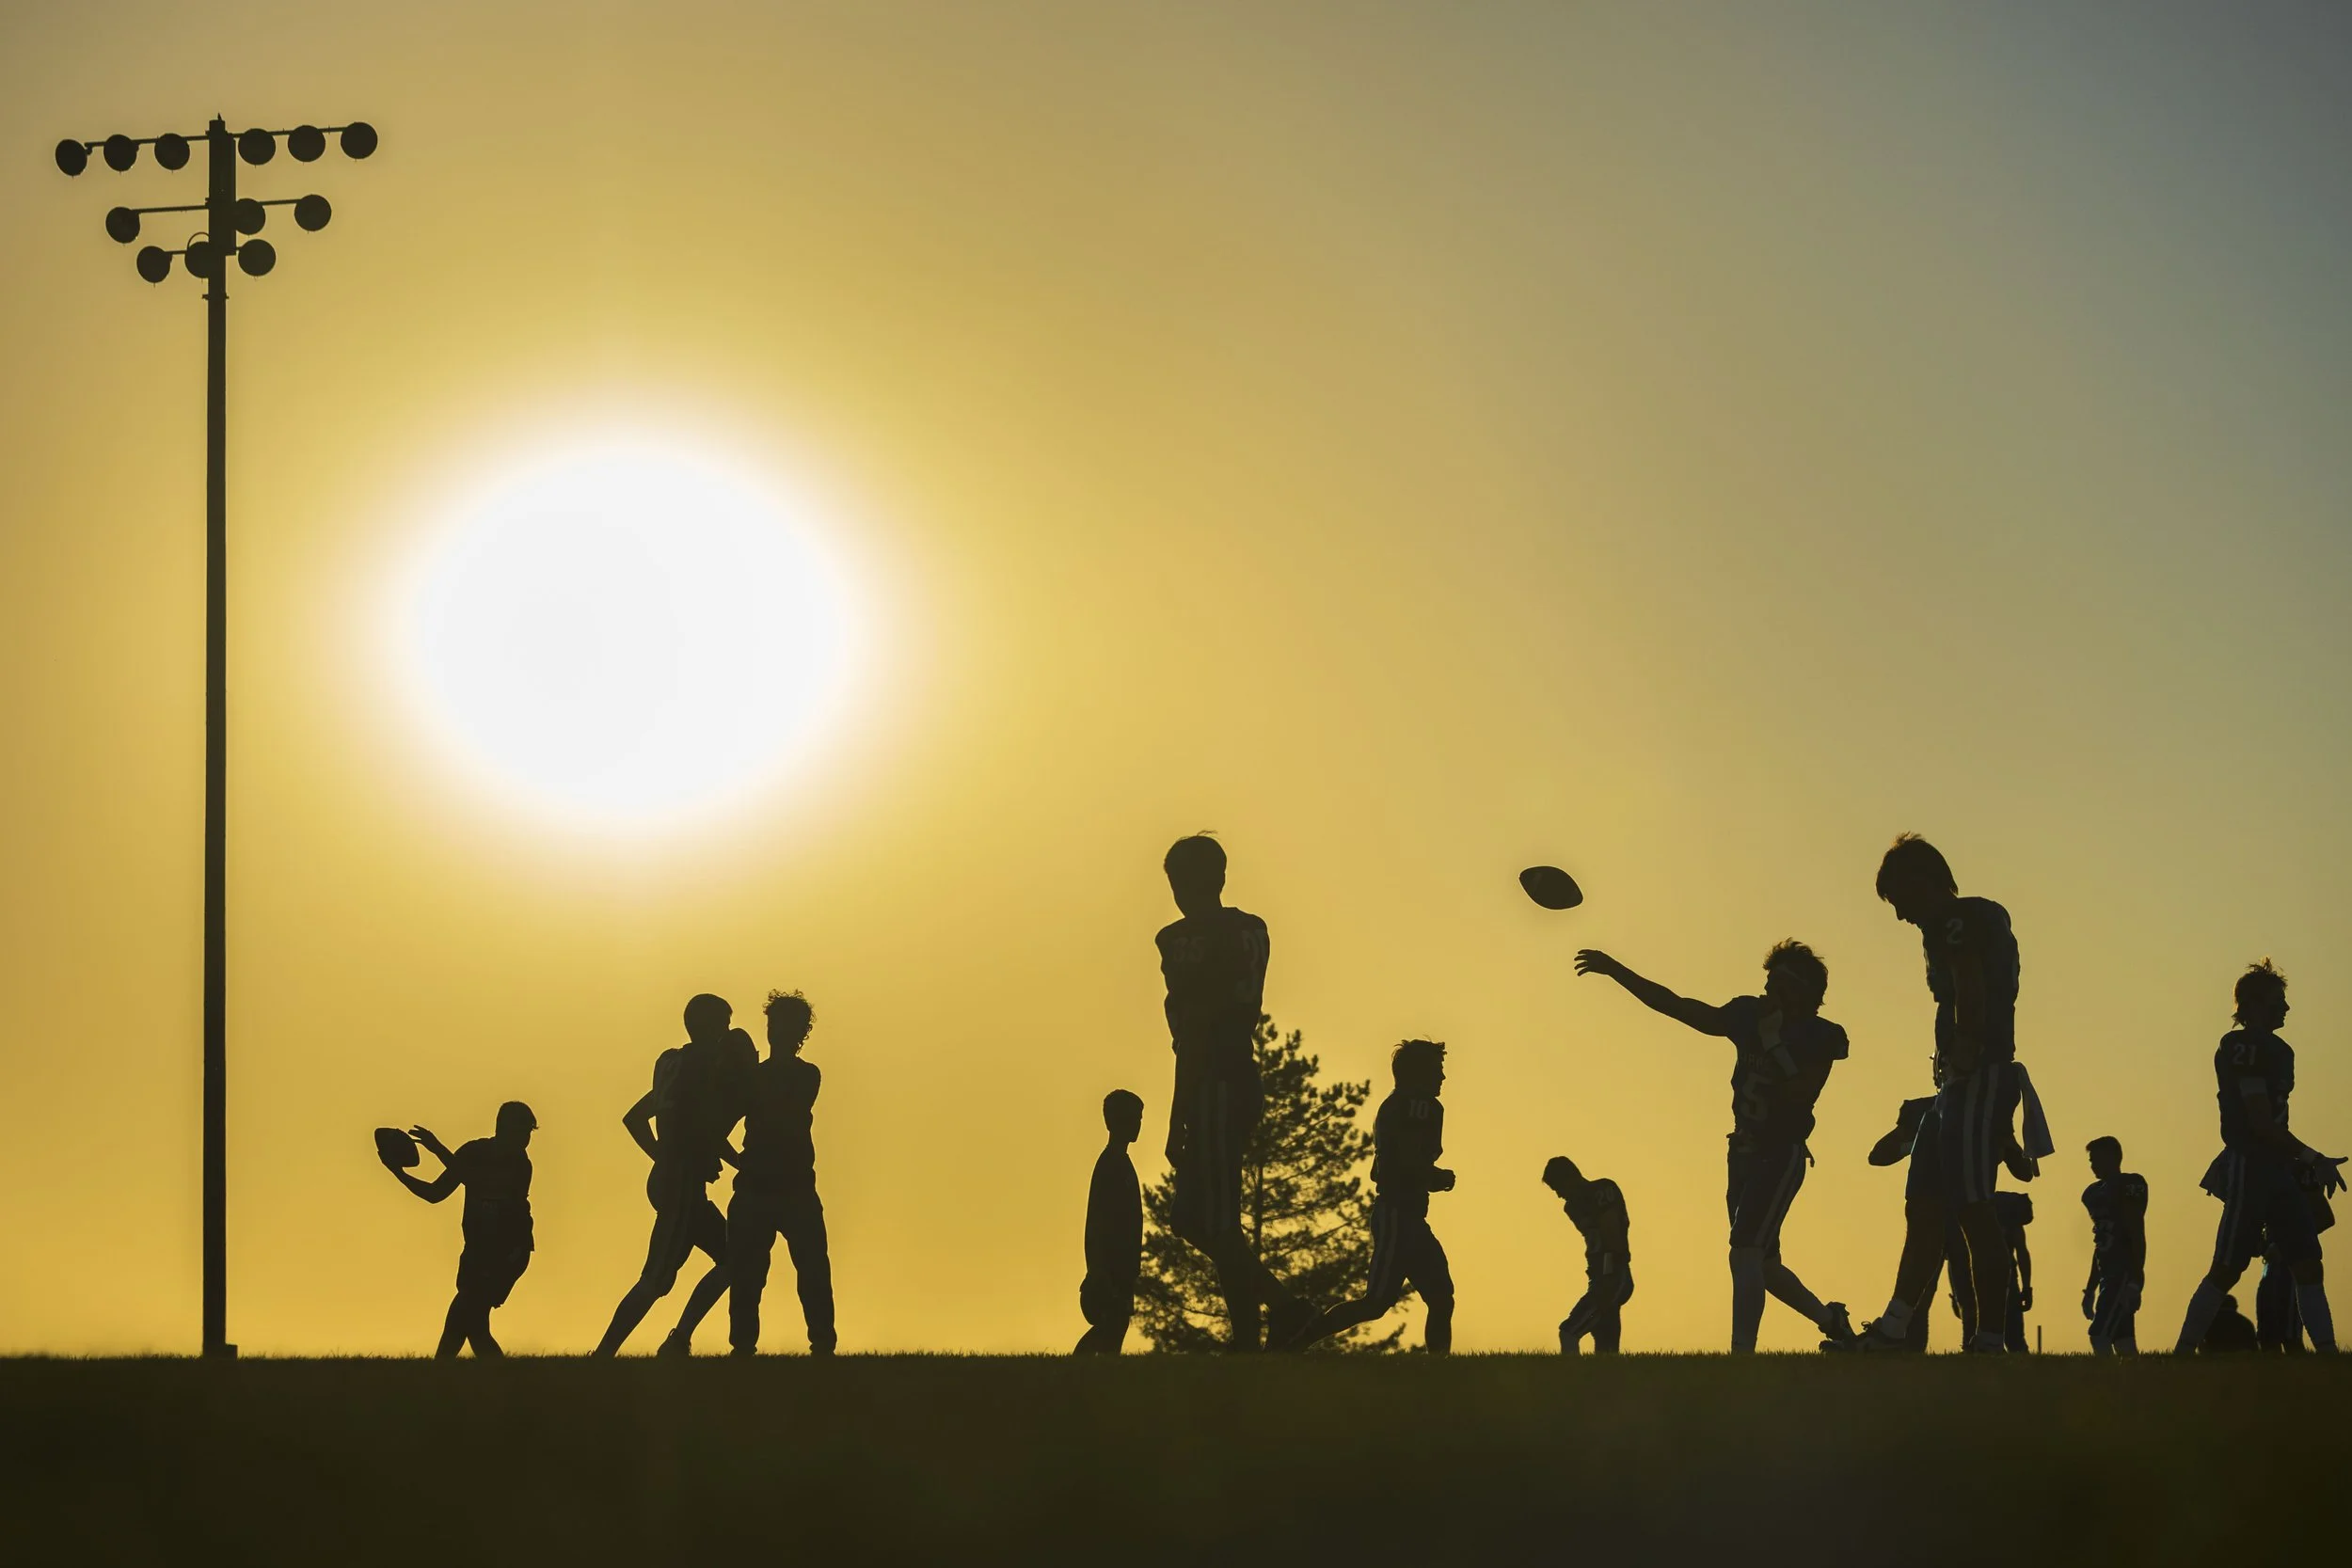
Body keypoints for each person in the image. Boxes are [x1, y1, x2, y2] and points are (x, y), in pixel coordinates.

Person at [1576, 942, 1854, 1351]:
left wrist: (1773, 1041)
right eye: (1768, 983)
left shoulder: (1821, 1035)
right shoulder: (1747, 1015)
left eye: (1778, 985)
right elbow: (1679, 1007)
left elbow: (1799, 1093)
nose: (1767, 993)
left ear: (1804, 994)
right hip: (1742, 1151)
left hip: (1779, 1152)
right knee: (1762, 1262)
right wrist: (1615, 970)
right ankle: (1833, 1321)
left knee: (1744, 1252)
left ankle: (1741, 1355)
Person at [1850, 836, 2048, 1354]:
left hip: (1975, 1076)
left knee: (1974, 1208)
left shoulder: (1951, 923)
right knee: (1925, 1208)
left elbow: (1969, 985)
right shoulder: (1971, 921)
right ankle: (1893, 1329)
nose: (1899, 916)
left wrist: (1965, 1050)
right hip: (1958, 1085)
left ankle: (1988, 1337)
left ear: (1921, 880)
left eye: (1898, 898)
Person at [1155, 834, 1312, 1351]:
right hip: (1234, 1075)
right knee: (1192, 1219)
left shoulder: (1185, 938)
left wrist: (1178, 1112)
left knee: (1217, 1221)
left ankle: (1277, 1316)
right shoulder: (1252, 929)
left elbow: (1195, 1030)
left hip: (1215, 1081)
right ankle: (1268, 1319)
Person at [2172, 960, 2344, 1354]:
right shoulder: (2243, 1046)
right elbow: (2261, 1124)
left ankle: (2328, 1354)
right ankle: (2182, 1352)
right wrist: (2312, 1157)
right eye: (2276, 1002)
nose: (2285, 1009)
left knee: (2307, 1262)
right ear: (2250, 1005)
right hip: (2252, 1165)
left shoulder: (2279, 1049)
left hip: (2279, 1169)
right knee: (2228, 1267)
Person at [594, 993, 756, 1358]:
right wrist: (727, 1160)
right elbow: (705, 1126)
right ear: (712, 1027)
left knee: (735, 1258)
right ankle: (605, 1354)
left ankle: (678, 1339)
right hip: (681, 1184)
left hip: (676, 1180)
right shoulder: (703, 1067)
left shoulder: (672, 1064)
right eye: (724, 1026)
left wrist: (662, 1157)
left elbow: (635, 1118)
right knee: (656, 1279)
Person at [1300, 1041, 1456, 1353]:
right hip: (1398, 1216)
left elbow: (1387, 1165)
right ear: (1420, 1074)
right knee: (1376, 1303)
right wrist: (1433, 1176)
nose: (1443, 1078)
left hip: (1409, 1217)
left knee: (1440, 1297)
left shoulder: (1402, 1106)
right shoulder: (1416, 1106)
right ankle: (1295, 1342)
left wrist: (1428, 1175)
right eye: (1437, 1070)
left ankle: (1440, 1371)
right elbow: (1402, 1162)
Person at [725, 990, 836, 1357]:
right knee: (748, 1274)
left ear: (799, 1031)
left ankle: (821, 1344)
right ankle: (743, 1347)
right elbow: (721, 1125)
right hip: (763, 1185)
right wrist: (737, 1160)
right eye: (774, 1023)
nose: (777, 1030)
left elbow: (774, 1110)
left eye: (785, 1024)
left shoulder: (806, 1076)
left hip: (792, 1186)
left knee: (811, 1271)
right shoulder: (754, 1077)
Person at [381, 1101, 537, 1358]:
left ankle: (438, 1375)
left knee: (463, 1314)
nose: (526, 1140)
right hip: (477, 1251)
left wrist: (438, 1149)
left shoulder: (521, 1164)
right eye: (522, 1132)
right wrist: (397, 1173)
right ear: (503, 1128)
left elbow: (479, 1182)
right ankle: (499, 1382)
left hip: (508, 1253)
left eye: (529, 1134)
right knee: (474, 1327)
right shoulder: (473, 1152)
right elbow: (435, 1193)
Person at [1860, 1096, 1967, 1351]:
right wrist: (1916, 1145)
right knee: (1919, 1292)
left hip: (1962, 1211)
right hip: (1936, 1208)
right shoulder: (1926, 1109)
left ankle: (1978, 1348)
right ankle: (1910, 1349)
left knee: (1967, 1292)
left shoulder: (1973, 1103)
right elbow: (1877, 1155)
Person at [1075, 1089, 1145, 1354]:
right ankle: (1080, 1365)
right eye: (1134, 1118)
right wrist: (1098, 1269)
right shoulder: (1110, 1165)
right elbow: (1097, 1222)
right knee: (1111, 1324)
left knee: (1117, 1325)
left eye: (1140, 1118)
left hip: (1123, 1266)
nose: (1138, 1124)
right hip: (1112, 1266)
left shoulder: (1121, 1163)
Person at [1546, 1156, 1631, 1354]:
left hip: (1612, 1275)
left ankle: (1572, 1378)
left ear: (1568, 1179)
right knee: (1606, 1348)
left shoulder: (1602, 1190)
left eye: (1558, 1187)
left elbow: (1611, 1228)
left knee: (1568, 1331)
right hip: (1601, 1275)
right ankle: (1603, 1381)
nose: (1558, 1194)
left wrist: (1610, 1267)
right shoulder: (1573, 1206)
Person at [2079, 1135, 2147, 1355]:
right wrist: (2090, 1288)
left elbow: (2135, 1233)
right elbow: (2100, 1244)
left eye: (2095, 1159)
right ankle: (2132, 1384)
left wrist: (2136, 1280)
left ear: (2111, 1157)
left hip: (2122, 1273)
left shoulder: (2129, 1184)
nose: (2092, 1165)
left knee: (2098, 1334)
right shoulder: (2093, 1193)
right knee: (2124, 1342)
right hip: (2109, 1274)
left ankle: (2104, 1379)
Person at [1994, 1189, 2033, 1351]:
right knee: (2015, 1339)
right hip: (2007, 1277)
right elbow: (2022, 1254)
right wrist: (2027, 1288)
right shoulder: (2012, 1221)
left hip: (1993, 1277)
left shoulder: (1979, 1215)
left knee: (1982, 1337)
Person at [2255, 1240, 2305, 1353]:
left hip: (2290, 1272)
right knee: (2266, 1335)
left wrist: (2286, 1244)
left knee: (2290, 1336)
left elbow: (2325, 1221)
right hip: (2270, 1271)